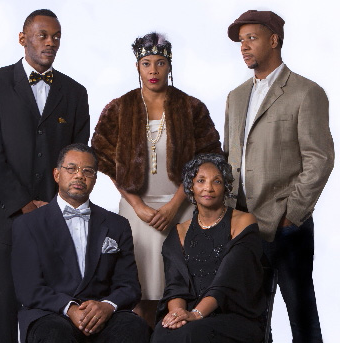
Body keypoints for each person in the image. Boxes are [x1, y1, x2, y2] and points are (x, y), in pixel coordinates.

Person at [0, 9, 90, 343]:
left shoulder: (75, 92)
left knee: (52, 314)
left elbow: (78, 160)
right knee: (0, 312)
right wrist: (24, 204)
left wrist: (56, 207)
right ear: (23, 38)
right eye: (42, 35)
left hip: (56, 220)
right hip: (3, 218)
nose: (50, 42)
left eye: (56, 37)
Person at [91, 32, 222, 325]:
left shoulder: (192, 108)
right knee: (142, 292)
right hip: (137, 211)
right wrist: (137, 205)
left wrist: (175, 205)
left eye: (160, 63)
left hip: (184, 209)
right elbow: (104, 157)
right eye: (146, 63)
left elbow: (209, 158)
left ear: (170, 66)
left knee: (182, 290)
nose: (153, 70)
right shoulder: (119, 108)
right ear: (137, 66)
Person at [224, 10, 334, 342]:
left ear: (274, 40)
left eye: (251, 38)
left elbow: (320, 157)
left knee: (300, 312)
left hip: (287, 226)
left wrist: (293, 214)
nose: (244, 47)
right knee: (252, 316)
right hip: (243, 224)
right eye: (241, 41)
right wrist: (228, 214)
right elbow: (229, 155)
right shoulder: (236, 96)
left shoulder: (305, 92)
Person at [11, 143, 150, 343]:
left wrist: (107, 305)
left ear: (94, 180)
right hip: (50, 313)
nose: (79, 175)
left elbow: (129, 286)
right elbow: (28, 289)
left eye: (88, 171)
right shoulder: (27, 224)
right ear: (57, 174)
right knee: (54, 335)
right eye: (72, 168)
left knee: (134, 327)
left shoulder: (117, 224)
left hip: (103, 311)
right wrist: (70, 308)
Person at [151, 153, 266, 343]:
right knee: (163, 332)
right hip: (191, 314)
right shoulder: (179, 232)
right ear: (190, 187)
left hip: (235, 314)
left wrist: (196, 314)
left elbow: (227, 281)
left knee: (191, 334)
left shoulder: (243, 222)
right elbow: (175, 286)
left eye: (217, 181)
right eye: (201, 181)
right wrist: (178, 314)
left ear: (226, 187)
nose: (208, 188)